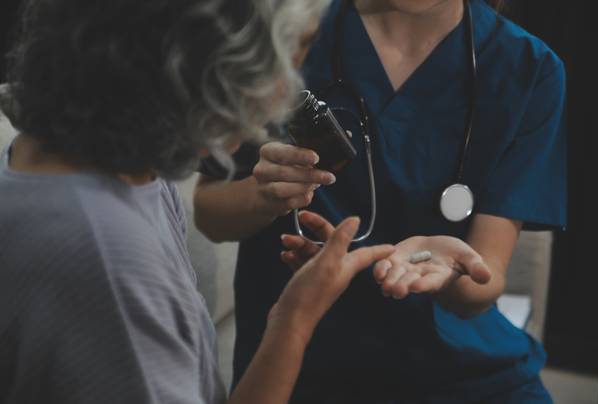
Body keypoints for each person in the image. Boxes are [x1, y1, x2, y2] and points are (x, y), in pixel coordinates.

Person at [0, 0, 399, 403]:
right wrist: (296, 320)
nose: (283, 94)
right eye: (275, 65)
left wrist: (288, 314)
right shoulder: (107, 257)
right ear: (197, 67)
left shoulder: (104, 167)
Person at [193, 0, 567, 402]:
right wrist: (263, 195)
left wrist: (451, 271)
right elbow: (209, 214)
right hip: (301, 360)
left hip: (460, 369)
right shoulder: (288, 32)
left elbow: (483, 282)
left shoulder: (528, 67)